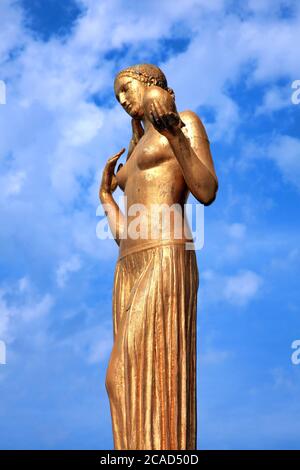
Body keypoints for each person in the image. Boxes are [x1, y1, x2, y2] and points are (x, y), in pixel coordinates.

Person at [99, 63, 218, 450]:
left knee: (131, 369)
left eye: (127, 89)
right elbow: (124, 236)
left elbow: (205, 190)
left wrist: (174, 134)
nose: (123, 100)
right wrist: (106, 198)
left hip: (166, 253)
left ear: (152, 84)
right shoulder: (133, 154)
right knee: (120, 381)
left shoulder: (184, 121)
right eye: (117, 96)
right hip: (129, 265)